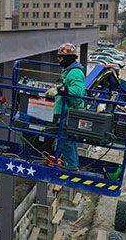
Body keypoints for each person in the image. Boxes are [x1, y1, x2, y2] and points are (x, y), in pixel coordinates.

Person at [45, 43, 85, 171]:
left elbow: (78, 91)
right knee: (65, 140)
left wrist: (59, 90)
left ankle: (71, 166)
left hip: (69, 112)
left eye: (60, 57)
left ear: (68, 58)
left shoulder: (75, 72)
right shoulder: (68, 72)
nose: (58, 59)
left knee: (67, 141)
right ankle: (69, 163)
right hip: (64, 112)